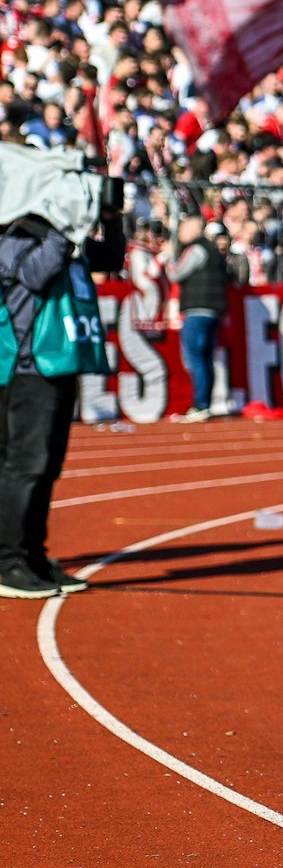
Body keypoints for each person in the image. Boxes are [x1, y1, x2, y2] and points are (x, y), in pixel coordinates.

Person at [0, 188, 121, 599]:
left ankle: (33, 556)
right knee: (25, 465)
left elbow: (110, 259)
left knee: (46, 466)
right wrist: (62, 229)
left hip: (60, 361)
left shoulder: (65, 237)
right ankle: (8, 561)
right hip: (27, 365)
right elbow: (35, 274)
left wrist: (110, 217)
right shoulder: (14, 234)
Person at [164, 213, 228, 422]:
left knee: (195, 358)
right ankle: (205, 403)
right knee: (206, 358)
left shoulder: (197, 249)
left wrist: (168, 256)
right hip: (213, 311)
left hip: (197, 310)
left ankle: (201, 404)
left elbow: (175, 273)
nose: (181, 233)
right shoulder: (213, 251)